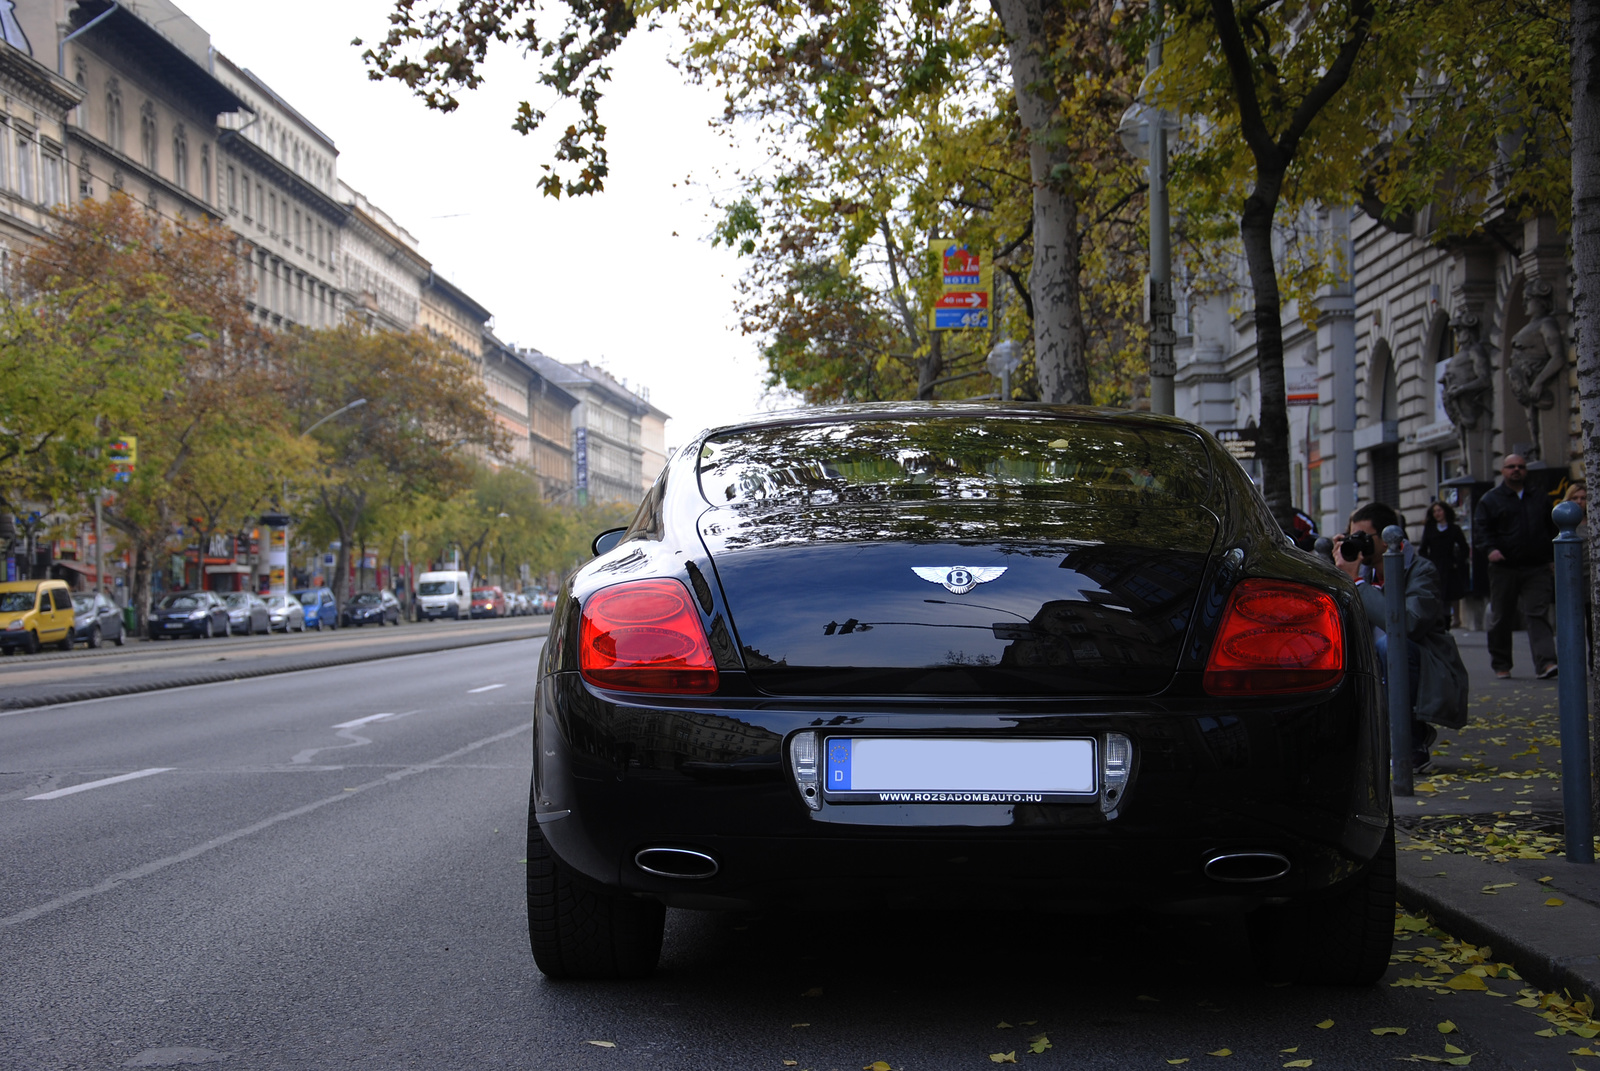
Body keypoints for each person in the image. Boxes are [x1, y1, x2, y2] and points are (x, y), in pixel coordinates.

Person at [1333, 502, 1468, 774]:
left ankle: (1412, 744)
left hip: (1426, 664)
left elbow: (1406, 625)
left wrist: (1358, 584)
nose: (1357, 545)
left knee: (1389, 647)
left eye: (1362, 537)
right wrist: (1340, 574)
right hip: (1372, 664)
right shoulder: (1361, 570)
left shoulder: (1422, 571)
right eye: (1351, 537)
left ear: (1388, 539)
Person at [1473, 454, 1558, 679]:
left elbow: (1551, 530)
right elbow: (1481, 530)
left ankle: (1547, 663)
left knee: (1537, 614)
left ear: (1526, 471)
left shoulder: (1540, 498)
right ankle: (1501, 664)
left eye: (1520, 466)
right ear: (1503, 471)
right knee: (1501, 616)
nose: (1516, 470)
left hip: (1536, 567)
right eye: (1511, 466)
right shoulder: (1491, 500)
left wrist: (1551, 559)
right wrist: (1490, 550)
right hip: (1504, 567)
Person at [1418, 500, 1470, 628]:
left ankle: (1456, 618)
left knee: (1453, 593)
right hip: (1435, 565)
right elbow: (1423, 549)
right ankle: (1440, 618)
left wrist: (1458, 561)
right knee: (1438, 593)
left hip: (1450, 565)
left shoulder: (1454, 529)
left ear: (1445, 511)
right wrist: (1428, 563)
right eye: (1435, 511)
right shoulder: (1430, 529)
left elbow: (1464, 547)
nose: (1437, 513)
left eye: (1439, 510)